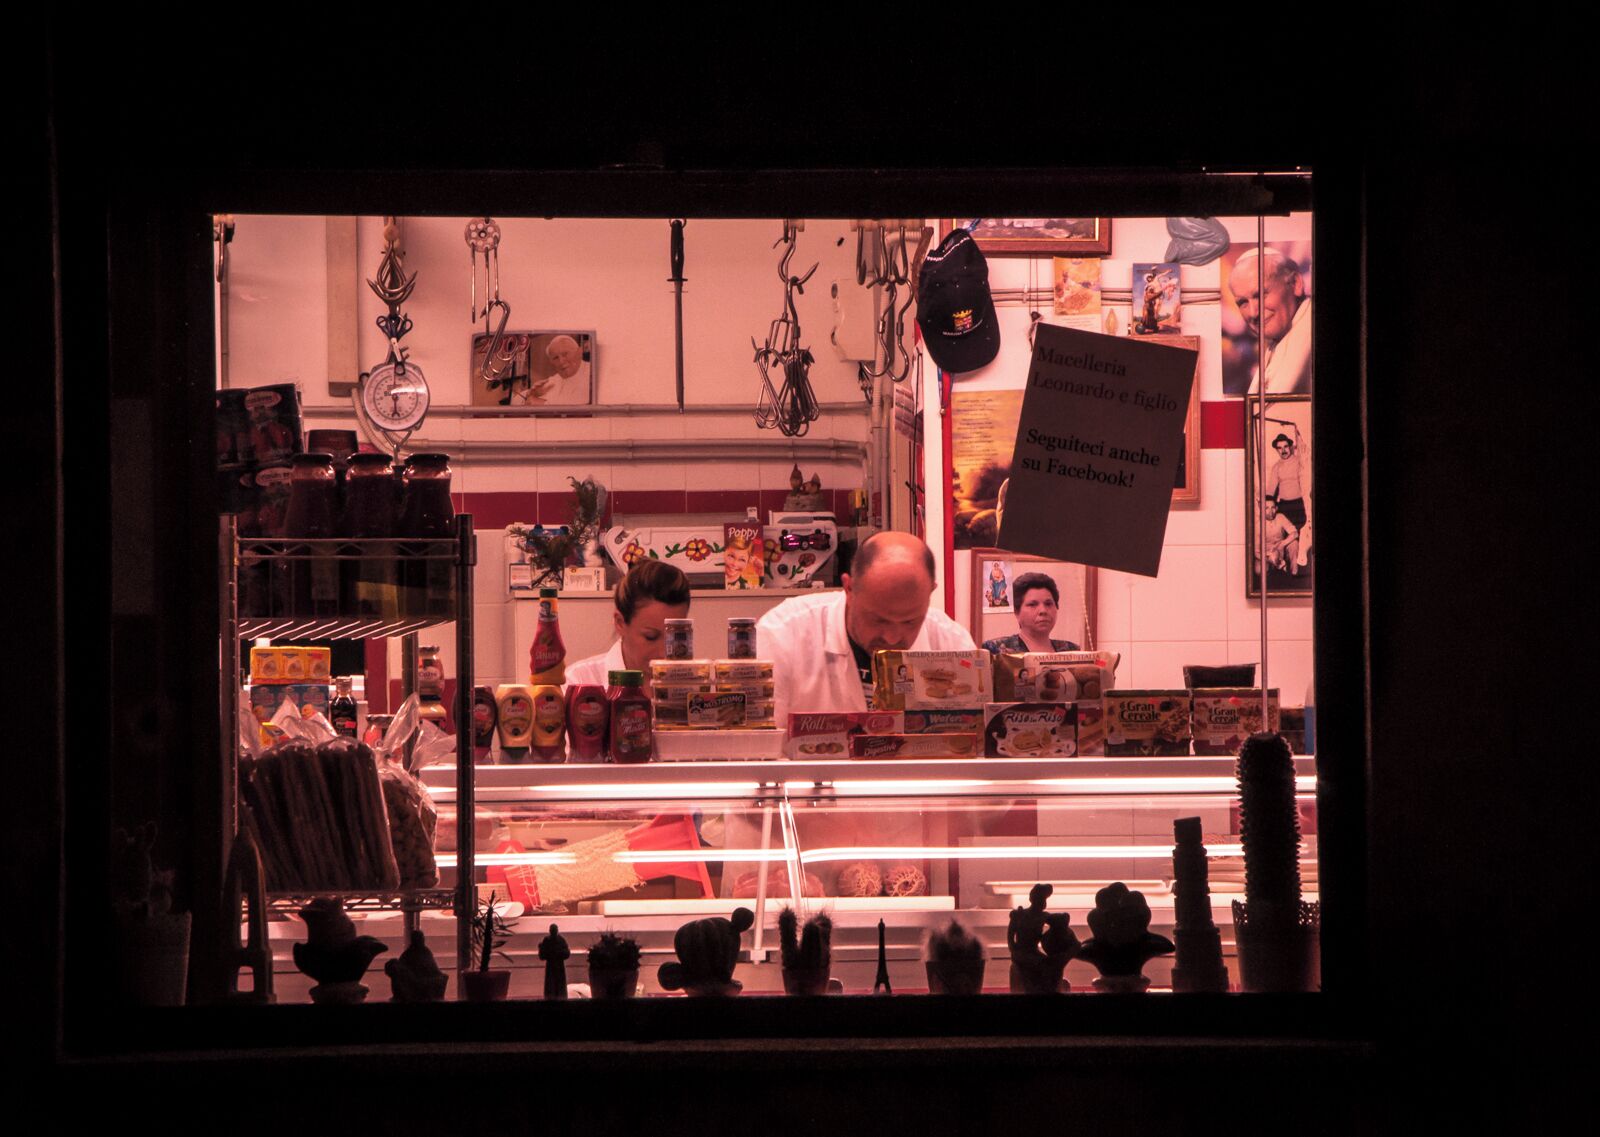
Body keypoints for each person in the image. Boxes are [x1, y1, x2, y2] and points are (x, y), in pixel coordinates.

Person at [758, 531, 976, 721]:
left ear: (930, 592)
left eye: (910, 621)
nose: (892, 638)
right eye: (878, 619)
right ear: (849, 588)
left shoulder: (954, 645)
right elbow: (757, 753)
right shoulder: (782, 634)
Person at [564, 560, 691, 689]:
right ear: (620, 623)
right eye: (651, 637)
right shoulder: (578, 682)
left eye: (676, 637)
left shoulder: (695, 684)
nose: (664, 653)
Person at [1229, 248, 1312, 394]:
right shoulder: (1276, 340)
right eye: (1243, 302)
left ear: (1295, 283)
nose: (1253, 312)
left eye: (1260, 295)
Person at [982, 572, 1080, 656]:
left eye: (1048, 604)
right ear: (1017, 612)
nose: (1043, 611)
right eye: (1032, 604)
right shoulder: (996, 650)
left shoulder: (1071, 650)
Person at [523, 334, 592, 406]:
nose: (561, 361)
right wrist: (533, 393)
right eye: (555, 358)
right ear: (551, 362)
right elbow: (527, 397)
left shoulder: (592, 373)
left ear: (579, 352)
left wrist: (544, 404)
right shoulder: (556, 379)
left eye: (565, 354)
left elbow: (584, 404)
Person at [1258, 496, 1301, 578]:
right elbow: (1255, 549)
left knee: (1294, 543)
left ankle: (1294, 573)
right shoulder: (1257, 522)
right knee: (1259, 570)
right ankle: (1276, 568)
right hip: (1266, 554)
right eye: (1266, 508)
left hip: (1282, 550)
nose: (1270, 511)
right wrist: (1269, 557)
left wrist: (1281, 545)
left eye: (1273, 507)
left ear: (1276, 508)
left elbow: (1295, 533)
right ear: (1261, 508)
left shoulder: (1280, 517)